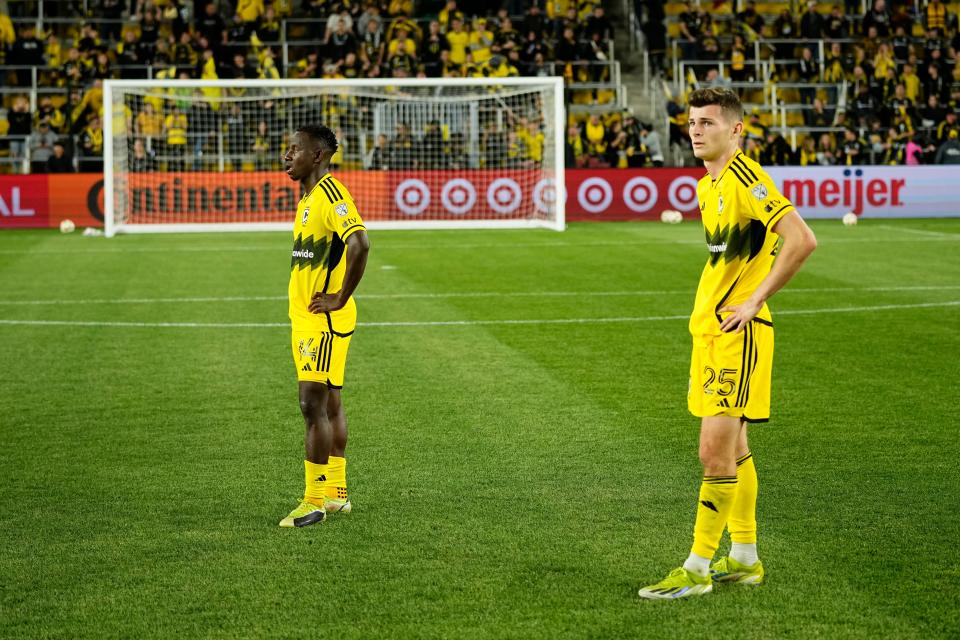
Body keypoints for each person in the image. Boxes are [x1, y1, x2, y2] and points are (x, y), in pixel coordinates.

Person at [637, 88, 817, 600]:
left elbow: (801, 239)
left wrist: (756, 300)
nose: (695, 130)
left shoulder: (745, 178)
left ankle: (696, 569)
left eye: (708, 123)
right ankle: (744, 558)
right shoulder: (706, 186)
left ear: (736, 129)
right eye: (692, 122)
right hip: (711, 335)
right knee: (734, 452)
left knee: (712, 454)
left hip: (739, 337)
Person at [279, 125, 371, 528]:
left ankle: (313, 502)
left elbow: (360, 243)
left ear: (316, 156)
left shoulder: (331, 194)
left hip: (324, 320)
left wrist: (340, 297)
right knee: (329, 402)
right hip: (307, 318)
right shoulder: (308, 197)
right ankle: (336, 494)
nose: (287, 156)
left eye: (294, 149)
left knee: (311, 404)